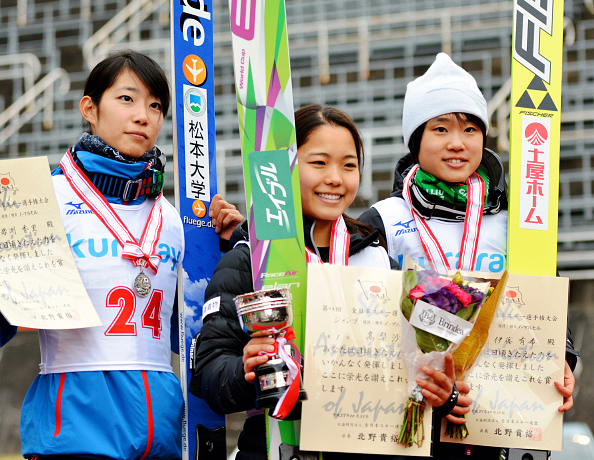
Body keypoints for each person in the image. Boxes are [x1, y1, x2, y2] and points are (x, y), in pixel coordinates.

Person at [0, 50, 241, 460]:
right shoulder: (42, 199)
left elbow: (192, 334)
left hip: (162, 435)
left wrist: (223, 252)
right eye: (127, 99)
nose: (143, 116)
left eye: (155, 105)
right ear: (89, 109)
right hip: (73, 436)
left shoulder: (175, 218)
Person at [191, 104, 465, 460]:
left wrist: (445, 396)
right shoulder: (250, 260)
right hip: (277, 446)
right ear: (285, 169)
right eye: (319, 163)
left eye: (349, 165)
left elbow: (415, 367)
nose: (336, 178)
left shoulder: (378, 258)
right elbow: (209, 371)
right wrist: (245, 370)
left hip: (370, 443)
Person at [358, 52, 579, 459]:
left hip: (494, 417)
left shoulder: (516, 223)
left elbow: (547, 304)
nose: (457, 143)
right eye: (440, 128)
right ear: (416, 140)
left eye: (471, 129)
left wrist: (560, 359)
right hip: (407, 419)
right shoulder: (384, 220)